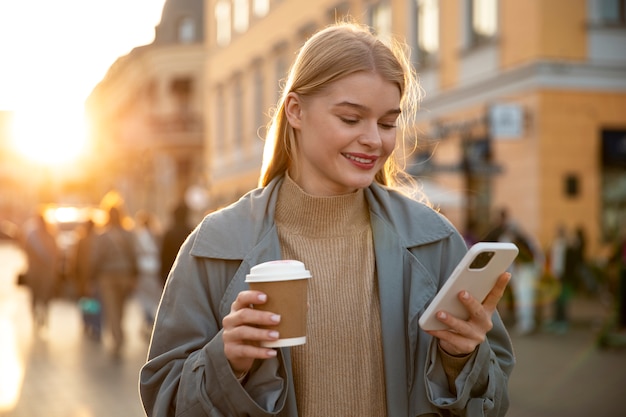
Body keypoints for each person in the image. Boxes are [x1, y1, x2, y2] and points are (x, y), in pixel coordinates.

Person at [140, 22, 514, 417]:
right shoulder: (214, 245)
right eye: (351, 119)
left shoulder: (434, 241)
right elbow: (163, 399)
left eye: (387, 123)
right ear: (296, 111)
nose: (375, 139)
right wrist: (225, 361)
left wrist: (462, 357)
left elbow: (496, 398)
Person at [91, 206, 138, 356]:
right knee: (121, 307)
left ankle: (117, 337)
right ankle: (119, 334)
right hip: (125, 274)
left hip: (107, 275)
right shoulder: (129, 234)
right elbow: (134, 256)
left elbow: (96, 258)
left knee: (112, 309)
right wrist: (134, 276)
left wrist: (92, 277)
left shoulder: (103, 236)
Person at [21, 212, 60, 333]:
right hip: (37, 271)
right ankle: (36, 319)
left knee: (43, 296)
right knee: (36, 296)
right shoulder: (34, 236)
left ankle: (42, 318)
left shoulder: (49, 236)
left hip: (42, 272)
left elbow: (55, 254)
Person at [134, 210, 163, 336]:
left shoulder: (139, 236)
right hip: (155, 268)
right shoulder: (156, 235)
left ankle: (149, 320)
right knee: (155, 297)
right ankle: (153, 320)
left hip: (143, 270)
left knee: (145, 297)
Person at [73, 218, 102, 340]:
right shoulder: (99, 240)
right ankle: (95, 325)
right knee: (95, 302)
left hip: (84, 276)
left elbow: (76, 260)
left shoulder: (82, 240)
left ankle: (87, 323)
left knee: (86, 301)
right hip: (96, 276)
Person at [159, 203, 192, 286]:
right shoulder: (192, 232)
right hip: (188, 273)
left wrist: (162, 275)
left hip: (170, 272)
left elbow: (164, 256)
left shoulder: (169, 233)